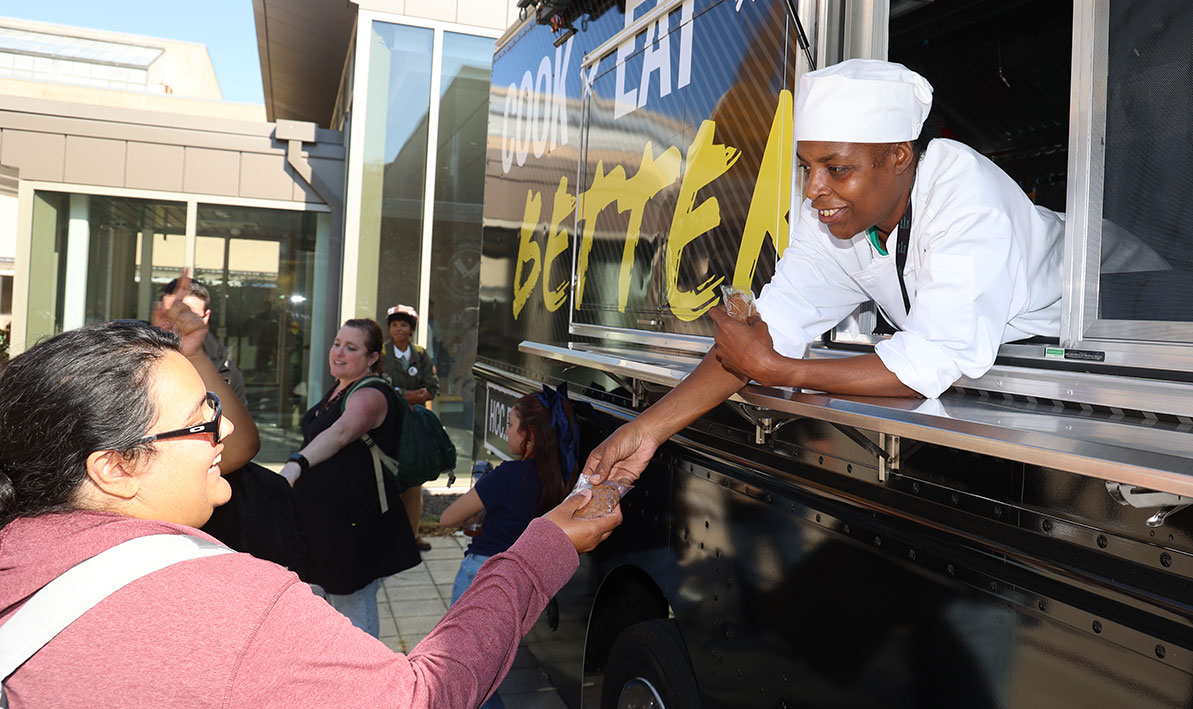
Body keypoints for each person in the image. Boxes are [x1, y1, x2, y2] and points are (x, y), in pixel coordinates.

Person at [0, 320, 621, 707]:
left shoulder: (22, 555)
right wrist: (543, 550)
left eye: (214, 404)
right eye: (200, 419)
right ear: (114, 467)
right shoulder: (233, 607)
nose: (224, 432)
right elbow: (421, 695)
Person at [584, 58, 1064, 486]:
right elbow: (771, 328)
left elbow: (930, 360)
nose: (814, 190)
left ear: (899, 156)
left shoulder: (966, 197)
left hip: (1121, 288)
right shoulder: (833, 217)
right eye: (806, 167)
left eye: (836, 169)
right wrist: (644, 431)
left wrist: (780, 370)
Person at [439, 386, 579, 708]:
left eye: (511, 424)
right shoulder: (559, 478)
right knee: (490, 670)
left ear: (529, 435)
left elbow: (447, 517)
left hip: (482, 575)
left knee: (466, 674)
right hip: (520, 581)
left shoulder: (509, 475)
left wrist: (481, 499)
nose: (505, 431)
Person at [277, 318, 418, 636]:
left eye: (351, 348)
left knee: (352, 609)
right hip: (322, 526)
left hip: (355, 527)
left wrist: (296, 464)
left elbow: (340, 433)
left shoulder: (371, 394)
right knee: (318, 605)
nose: (338, 352)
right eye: (337, 343)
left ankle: (370, 681)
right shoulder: (340, 387)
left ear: (372, 358)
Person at [384, 303, 440, 552]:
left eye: (403, 324)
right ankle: (387, 536)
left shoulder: (420, 354)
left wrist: (402, 394)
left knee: (413, 484)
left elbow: (432, 388)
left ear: (412, 329)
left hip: (414, 428)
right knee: (386, 482)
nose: (399, 329)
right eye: (394, 324)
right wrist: (412, 394)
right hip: (387, 426)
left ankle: (411, 536)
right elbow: (383, 389)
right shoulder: (380, 354)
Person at [161, 276, 247, 406]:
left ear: (205, 317)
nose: (179, 324)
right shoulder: (136, 363)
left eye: (189, 316)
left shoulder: (227, 375)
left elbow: (238, 425)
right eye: (171, 315)